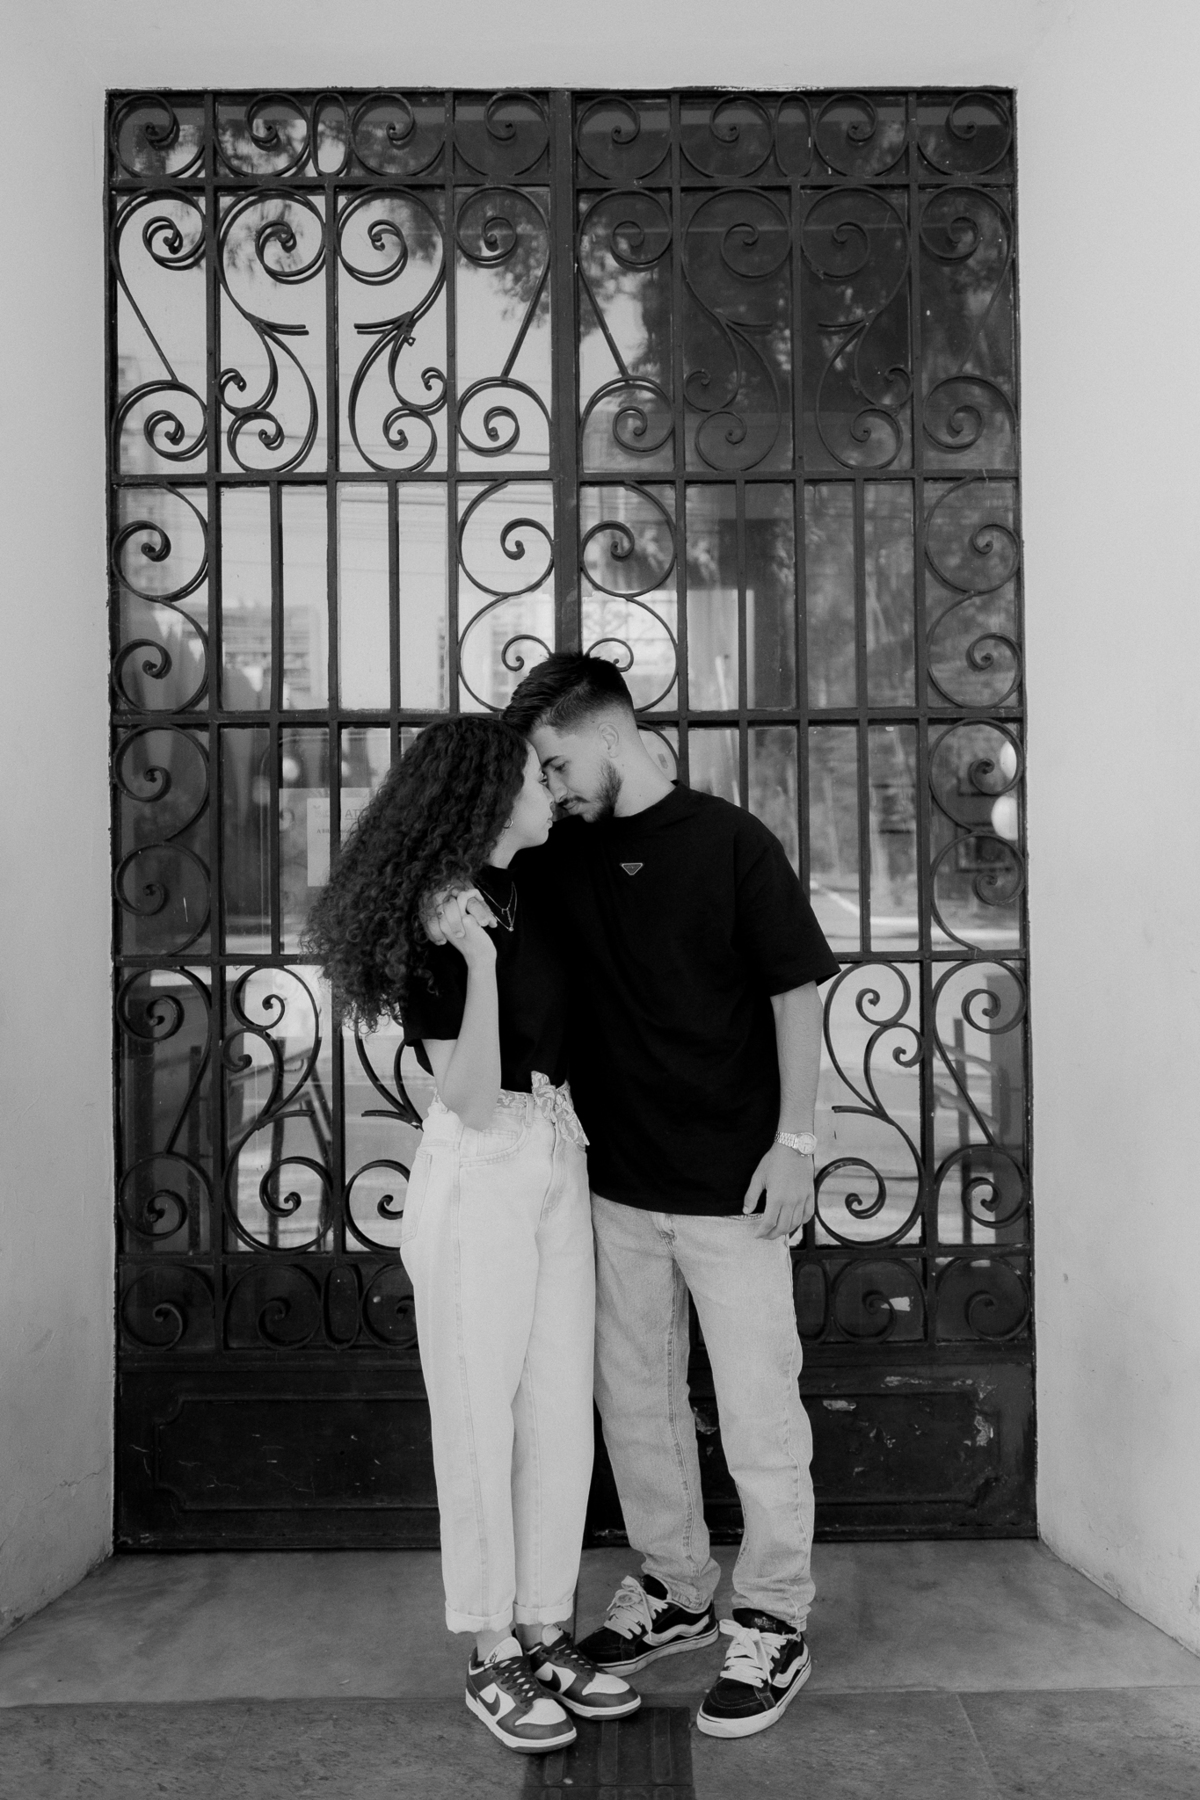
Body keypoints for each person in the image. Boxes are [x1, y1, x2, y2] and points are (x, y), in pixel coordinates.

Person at [431, 655, 840, 1740]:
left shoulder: (731, 842)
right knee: (636, 1407)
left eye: (557, 764)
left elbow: (795, 994)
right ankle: (676, 1587)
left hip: (734, 1185)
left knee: (759, 1410)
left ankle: (774, 1615)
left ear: (607, 735)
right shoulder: (555, 853)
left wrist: (797, 1143)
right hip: (609, 1186)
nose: (551, 788)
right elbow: (460, 869)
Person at [304, 715, 639, 1754]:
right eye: (536, 777)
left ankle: (543, 1627)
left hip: (557, 1152)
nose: (553, 791)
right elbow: (468, 1094)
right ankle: (492, 1649)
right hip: (482, 1162)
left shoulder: (529, 887)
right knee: (479, 1418)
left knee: (556, 1413)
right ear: (489, 798)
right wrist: (481, 964)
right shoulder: (443, 917)